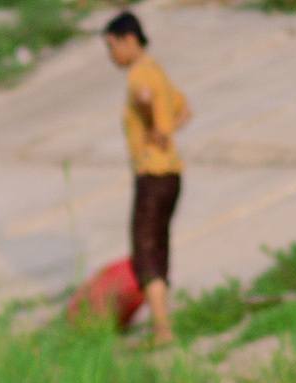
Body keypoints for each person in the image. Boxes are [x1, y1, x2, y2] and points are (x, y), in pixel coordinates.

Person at [104, 11, 190, 347]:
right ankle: (162, 323)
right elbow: (184, 109)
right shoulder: (157, 70)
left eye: (112, 46)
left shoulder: (139, 74)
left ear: (129, 40)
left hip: (152, 174)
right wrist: (165, 132)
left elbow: (144, 98)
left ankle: (162, 330)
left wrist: (153, 128)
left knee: (146, 249)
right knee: (158, 245)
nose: (112, 55)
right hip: (172, 172)